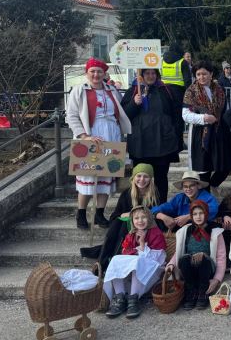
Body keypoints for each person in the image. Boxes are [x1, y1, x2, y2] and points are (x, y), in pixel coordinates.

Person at [66, 58, 132, 229]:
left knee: (107, 174)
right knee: (88, 174)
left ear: (104, 74)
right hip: (90, 134)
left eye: (99, 71)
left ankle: (99, 214)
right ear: (87, 73)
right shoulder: (79, 90)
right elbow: (71, 115)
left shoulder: (112, 90)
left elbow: (122, 110)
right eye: (92, 71)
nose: (96, 75)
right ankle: (81, 214)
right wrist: (84, 136)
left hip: (111, 134)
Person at [121, 68, 182, 201]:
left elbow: (176, 115)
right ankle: (139, 207)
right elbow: (124, 115)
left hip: (163, 144)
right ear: (141, 75)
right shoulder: (133, 91)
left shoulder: (165, 90)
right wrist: (134, 103)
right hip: (140, 144)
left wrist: (176, 136)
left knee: (161, 178)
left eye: (153, 73)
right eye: (147, 73)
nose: (150, 76)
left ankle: (161, 206)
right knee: (140, 178)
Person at [88, 164, 160, 272]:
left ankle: (110, 262)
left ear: (150, 179)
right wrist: (123, 215)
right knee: (118, 223)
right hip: (125, 225)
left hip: (145, 225)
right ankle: (102, 262)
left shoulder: (155, 194)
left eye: (146, 176)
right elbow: (115, 215)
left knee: (123, 226)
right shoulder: (127, 193)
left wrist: (137, 216)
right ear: (133, 178)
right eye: (139, 176)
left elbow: (156, 214)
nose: (142, 179)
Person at [182, 60, 231, 187]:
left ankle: (212, 186)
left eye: (204, 74)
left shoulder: (219, 89)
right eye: (198, 74)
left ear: (211, 74)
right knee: (204, 170)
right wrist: (204, 118)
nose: (201, 77)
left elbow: (225, 110)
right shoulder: (191, 91)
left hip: (220, 131)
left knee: (226, 166)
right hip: (201, 134)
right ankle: (205, 193)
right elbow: (185, 115)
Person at [103, 206, 166, 319]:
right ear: (132, 220)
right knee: (116, 259)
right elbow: (125, 251)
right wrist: (136, 252)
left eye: (143, 217)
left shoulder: (156, 233)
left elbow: (157, 258)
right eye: (136, 218)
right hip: (137, 263)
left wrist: (142, 243)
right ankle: (120, 298)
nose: (140, 221)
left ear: (149, 218)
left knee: (137, 262)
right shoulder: (131, 234)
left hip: (153, 267)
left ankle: (133, 300)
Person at [165, 200, 227, 310]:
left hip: (206, 267)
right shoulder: (186, 230)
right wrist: (171, 264)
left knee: (203, 258)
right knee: (184, 259)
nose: (198, 217)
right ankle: (191, 292)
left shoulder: (215, 232)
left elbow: (221, 257)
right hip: (189, 268)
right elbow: (178, 252)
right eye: (195, 214)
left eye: (201, 213)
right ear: (191, 215)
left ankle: (203, 292)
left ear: (206, 213)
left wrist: (217, 279)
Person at [152, 171, 218, 230]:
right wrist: (163, 217)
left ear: (198, 186)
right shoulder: (179, 198)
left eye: (191, 185)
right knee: (158, 218)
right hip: (181, 228)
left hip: (200, 229)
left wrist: (188, 217)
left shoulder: (207, 197)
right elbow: (157, 208)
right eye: (185, 186)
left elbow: (212, 211)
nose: (188, 189)